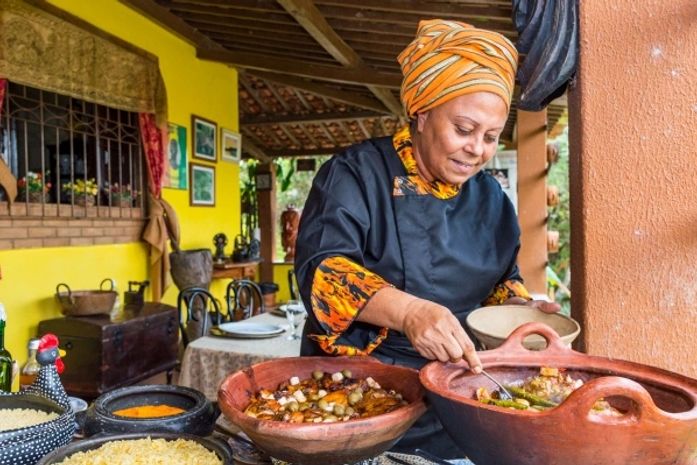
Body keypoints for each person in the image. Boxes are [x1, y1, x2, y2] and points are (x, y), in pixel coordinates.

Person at [294, 19, 560, 458]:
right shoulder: (356, 174)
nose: (477, 148)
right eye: (464, 129)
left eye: (491, 137)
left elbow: (501, 282)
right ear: (422, 112)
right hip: (359, 396)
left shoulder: (491, 198)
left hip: (459, 393)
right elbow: (323, 274)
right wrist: (411, 312)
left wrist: (521, 309)